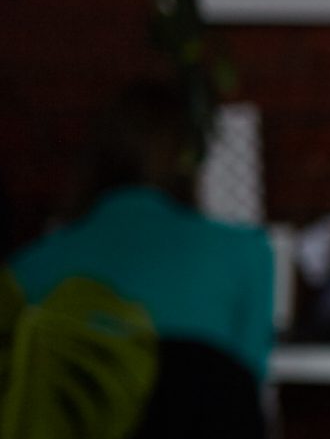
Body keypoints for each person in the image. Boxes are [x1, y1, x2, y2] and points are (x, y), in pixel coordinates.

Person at [5, 79, 275, 380]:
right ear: (185, 163)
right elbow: (247, 392)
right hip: (201, 423)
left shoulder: (30, 269)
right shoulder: (246, 254)